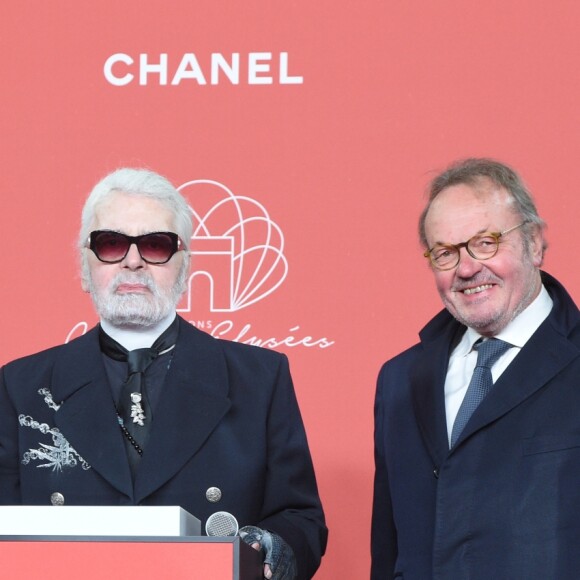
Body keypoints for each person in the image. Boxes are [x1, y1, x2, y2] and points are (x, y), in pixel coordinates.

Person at [0, 168, 327, 580]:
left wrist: (271, 549)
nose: (133, 261)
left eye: (155, 245)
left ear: (184, 264)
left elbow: (301, 519)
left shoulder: (260, 378)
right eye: (111, 243)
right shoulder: (21, 387)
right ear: (85, 264)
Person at [371, 158, 580, 579]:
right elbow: (389, 551)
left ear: (534, 242)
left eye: (486, 243)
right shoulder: (399, 380)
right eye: (445, 253)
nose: (467, 269)